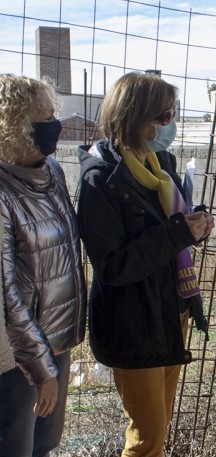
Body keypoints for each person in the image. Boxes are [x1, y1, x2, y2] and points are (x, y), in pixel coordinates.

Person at [77, 72, 214, 456]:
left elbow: (168, 237)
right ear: (137, 117)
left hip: (172, 312)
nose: (171, 124)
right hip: (133, 323)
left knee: (158, 427)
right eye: (165, 116)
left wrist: (193, 226)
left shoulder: (160, 165)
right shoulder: (100, 179)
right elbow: (114, 265)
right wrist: (177, 233)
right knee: (147, 435)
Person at [0, 74, 87, 456]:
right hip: (19, 357)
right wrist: (41, 369)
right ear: (16, 123)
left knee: (45, 444)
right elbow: (8, 294)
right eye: (45, 116)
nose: (57, 123)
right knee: (16, 447)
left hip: (57, 337)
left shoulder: (50, 171)